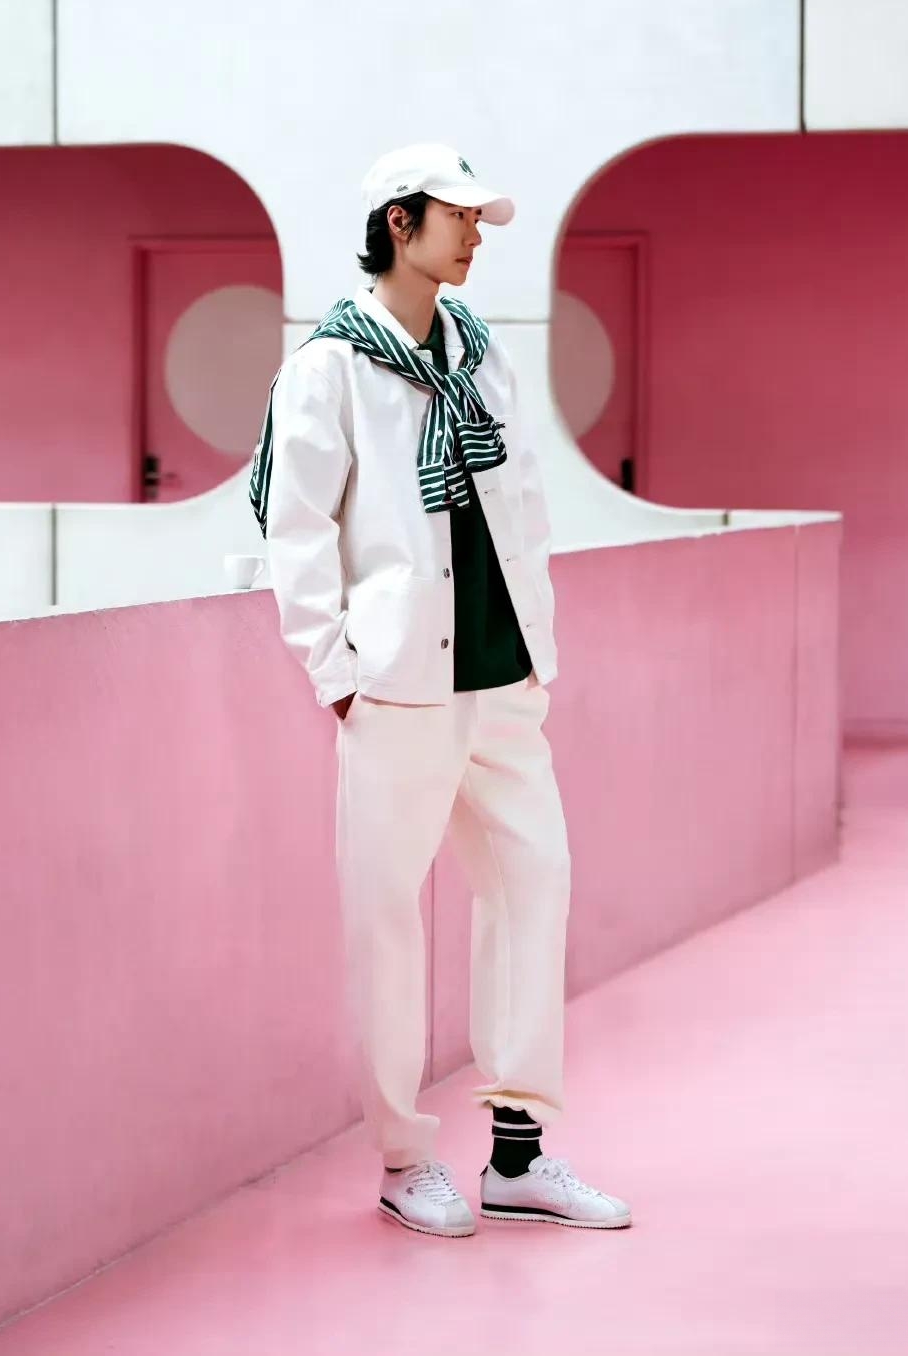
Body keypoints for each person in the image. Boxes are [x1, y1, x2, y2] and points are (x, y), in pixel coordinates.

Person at [253, 142, 631, 1238]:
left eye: (478, 218)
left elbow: (523, 501)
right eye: (456, 216)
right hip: (398, 684)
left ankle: (518, 1153)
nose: (474, 235)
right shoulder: (329, 368)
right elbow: (294, 528)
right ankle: (403, 1157)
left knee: (533, 885)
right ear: (398, 223)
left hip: (501, 676)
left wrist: (538, 647)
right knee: (387, 919)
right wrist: (338, 677)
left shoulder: (477, 352)